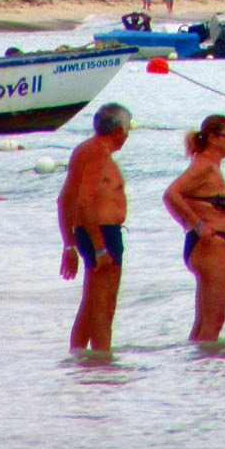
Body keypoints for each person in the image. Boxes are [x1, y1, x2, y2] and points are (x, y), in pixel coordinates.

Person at [58, 102, 132, 351]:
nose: (128, 135)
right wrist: (100, 248)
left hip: (90, 233)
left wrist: (69, 245)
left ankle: (79, 359)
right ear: (119, 130)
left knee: (91, 305)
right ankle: (104, 365)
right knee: (104, 308)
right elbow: (84, 201)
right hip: (102, 233)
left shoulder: (85, 149)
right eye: (128, 129)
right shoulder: (98, 152)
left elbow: (65, 200)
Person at [164, 114, 225, 343]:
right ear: (213, 138)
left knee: (205, 322)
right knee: (215, 320)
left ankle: (198, 361)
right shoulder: (204, 165)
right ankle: (210, 364)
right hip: (210, 245)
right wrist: (196, 225)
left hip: (211, 244)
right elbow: (171, 194)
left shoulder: (211, 165)